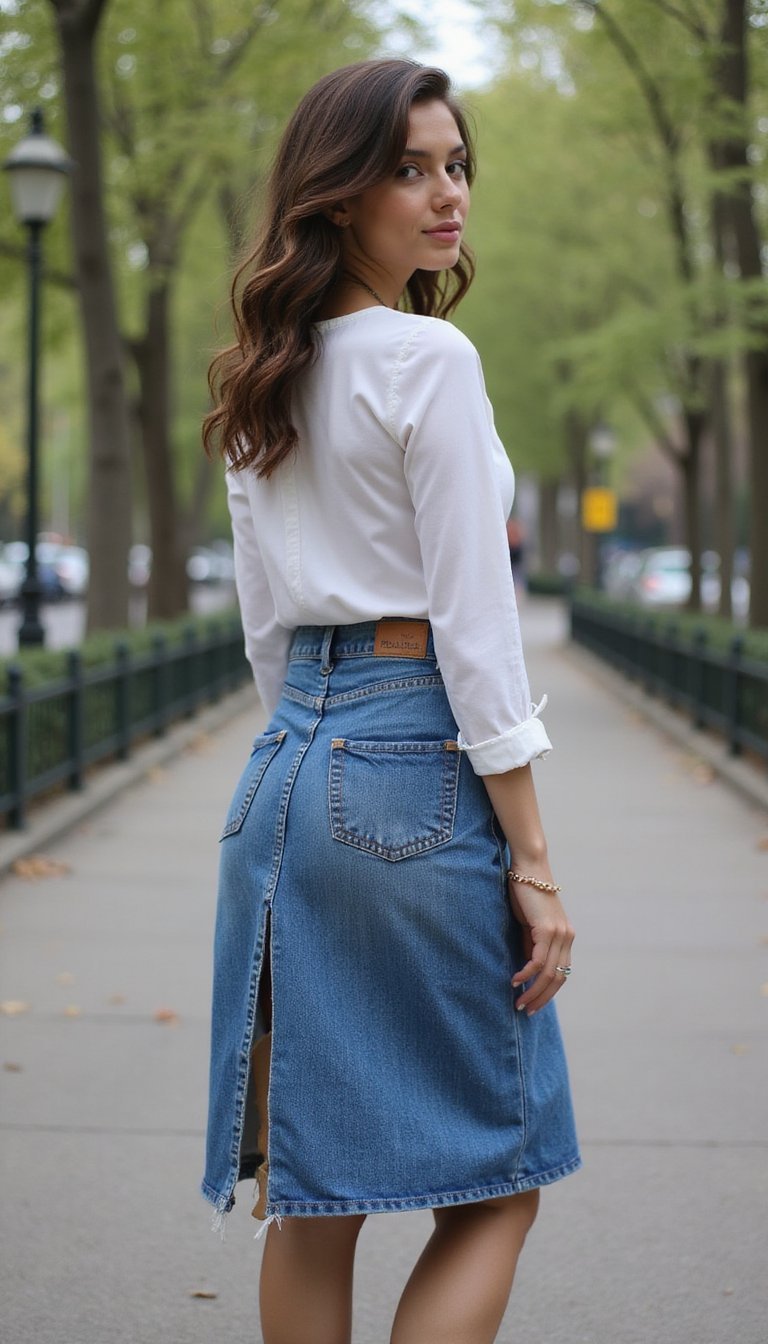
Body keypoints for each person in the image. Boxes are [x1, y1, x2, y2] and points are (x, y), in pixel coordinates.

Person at [201, 58, 580, 1344]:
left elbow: (268, 632)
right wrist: (534, 858)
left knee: (315, 1196)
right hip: (412, 761)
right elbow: (479, 630)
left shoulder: (265, 372)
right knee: (501, 1176)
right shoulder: (429, 358)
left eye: (457, 164)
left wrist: (316, 733)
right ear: (338, 192)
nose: (445, 194)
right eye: (409, 168)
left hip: (289, 770)